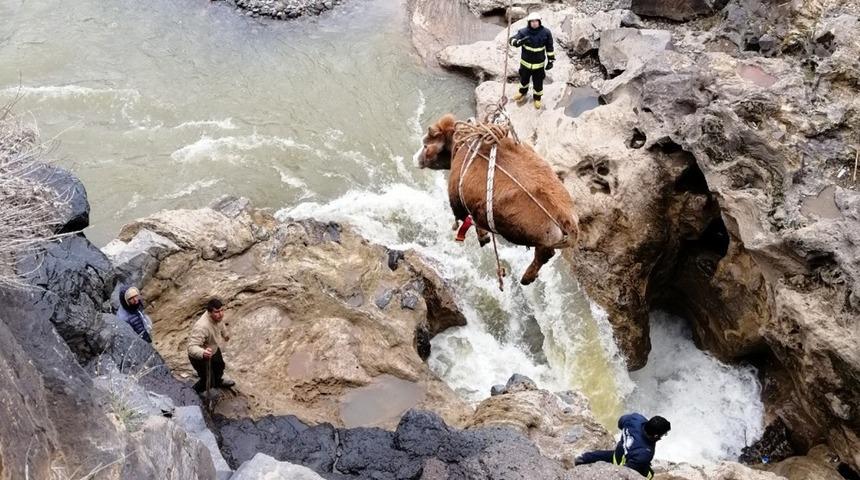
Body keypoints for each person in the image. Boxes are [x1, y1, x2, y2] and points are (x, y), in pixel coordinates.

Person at [575, 413, 671, 479]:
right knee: (649, 475)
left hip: (619, 451)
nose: (663, 436)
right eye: (663, 434)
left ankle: (582, 459)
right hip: (623, 463)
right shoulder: (645, 453)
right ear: (656, 436)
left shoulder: (635, 419)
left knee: (602, 455)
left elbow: (621, 422)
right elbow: (627, 471)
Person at [509, 12, 555, 110]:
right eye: (532, 21)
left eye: (536, 21)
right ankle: (522, 93)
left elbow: (549, 47)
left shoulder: (546, 32)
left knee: (538, 83)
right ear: (529, 23)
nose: (534, 23)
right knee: (524, 80)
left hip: (539, 65)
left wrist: (551, 60)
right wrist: (518, 42)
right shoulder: (523, 32)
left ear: (539, 22)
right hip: (525, 64)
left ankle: (537, 98)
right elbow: (511, 40)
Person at [187, 298, 235, 393]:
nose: (221, 314)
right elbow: (191, 347)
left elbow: (220, 325)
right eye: (217, 312)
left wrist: (225, 334)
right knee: (208, 380)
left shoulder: (217, 317)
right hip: (201, 357)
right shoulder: (202, 327)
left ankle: (218, 382)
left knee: (220, 367)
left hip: (213, 349)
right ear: (209, 312)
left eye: (222, 310)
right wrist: (203, 353)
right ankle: (193, 393)